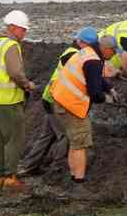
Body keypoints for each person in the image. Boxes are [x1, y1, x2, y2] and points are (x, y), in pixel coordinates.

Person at [50, 31, 121, 186]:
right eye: (114, 52)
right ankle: (79, 181)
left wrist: (110, 88)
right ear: (107, 48)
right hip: (72, 105)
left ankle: (74, 175)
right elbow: (95, 93)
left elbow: (94, 78)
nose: (114, 55)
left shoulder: (89, 53)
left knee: (75, 143)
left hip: (61, 100)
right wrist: (106, 99)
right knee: (81, 143)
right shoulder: (93, 61)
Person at [21, 31, 89, 176]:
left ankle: (29, 166)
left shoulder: (73, 53)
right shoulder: (72, 55)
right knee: (65, 135)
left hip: (50, 98)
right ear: (81, 43)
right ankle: (57, 168)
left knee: (47, 135)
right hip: (55, 100)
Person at [0, 10, 36, 192]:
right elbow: (15, 72)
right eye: (23, 29)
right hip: (9, 100)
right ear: (13, 27)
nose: (24, 33)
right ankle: (10, 178)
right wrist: (27, 85)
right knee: (15, 139)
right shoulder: (11, 46)